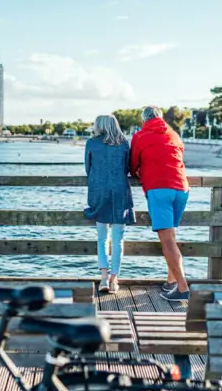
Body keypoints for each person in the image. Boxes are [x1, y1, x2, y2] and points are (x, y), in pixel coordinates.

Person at [130, 106, 190, 301]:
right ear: (161, 118)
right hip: (181, 188)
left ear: (143, 120)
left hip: (159, 189)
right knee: (171, 236)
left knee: (167, 240)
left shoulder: (140, 136)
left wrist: (139, 173)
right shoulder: (174, 134)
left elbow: (132, 166)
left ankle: (182, 288)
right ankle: (172, 283)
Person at [84, 114, 135, 294]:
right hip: (120, 191)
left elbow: (87, 169)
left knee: (101, 237)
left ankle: (103, 278)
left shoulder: (91, 143)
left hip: (98, 191)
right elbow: (127, 168)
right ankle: (115, 279)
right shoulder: (124, 143)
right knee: (118, 238)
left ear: (98, 125)